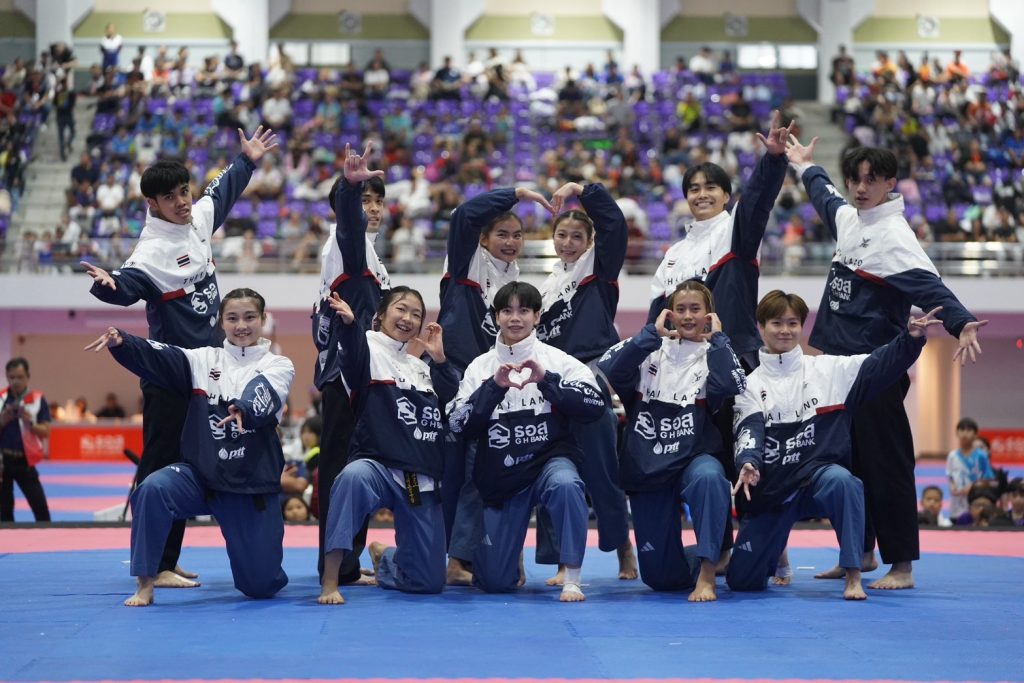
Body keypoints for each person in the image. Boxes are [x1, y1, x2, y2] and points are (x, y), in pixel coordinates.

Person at [81, 126, 278, 589]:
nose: (182, 202)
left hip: (207, 374)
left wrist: (247, 159)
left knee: (191, 464)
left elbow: (222, 192)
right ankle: (151, 567)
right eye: (170, 198)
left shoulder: (198, 218)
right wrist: (108, 286)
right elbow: (126, 285)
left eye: (184, 192)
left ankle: (168, 559)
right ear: (152, 204)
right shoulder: (151, 252)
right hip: (169, 374)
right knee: (159, 466)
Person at [786, 137, 987, 589]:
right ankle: (859, 553)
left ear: (890, 183)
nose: (860, 188)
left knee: (887, 465)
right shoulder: (850, 219)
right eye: (855, 180)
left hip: (876, 369)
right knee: (848, 464)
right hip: (837, 370)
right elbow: (824, 195)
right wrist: (804, 166)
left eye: (871, 181)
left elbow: (932, 289)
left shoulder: (895, 237)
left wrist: (962, 323)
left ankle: (902, 566)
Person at [85, 288, 296, 607]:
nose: (241, 325)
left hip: (248, 484)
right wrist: (124, 342)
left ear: (263, 319)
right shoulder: (202, 359)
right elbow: (161, 355)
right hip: (201, 478)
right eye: (232, 318)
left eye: (249, 317)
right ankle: (146, 582)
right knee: (152, 488)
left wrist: (243, 407)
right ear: (221, 322)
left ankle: (261, 573)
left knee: (260, 586)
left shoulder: (279, 365)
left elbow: (263, 390)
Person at [648, 111, 793, 571]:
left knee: (746, 452)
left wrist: (773, 159)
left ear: (726, 195)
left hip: (736, 359)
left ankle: (769, 548)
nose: (702, 194)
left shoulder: (736, 231)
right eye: (693, 188)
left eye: (711, 187)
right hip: (684, 373)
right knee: (708, 459)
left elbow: (759, 200)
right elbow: (657, 317)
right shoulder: (674, 255)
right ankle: (723, 548)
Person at [729, 291, 941, 600]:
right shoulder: (750, 384)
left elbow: (877, 363)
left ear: (802, 326)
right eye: (776, 323)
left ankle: (853, 573)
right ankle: (766, 556)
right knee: (742, 581)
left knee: (845, 482)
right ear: (761, 327)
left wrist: (909, 339)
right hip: (775, 487)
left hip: (818, 478)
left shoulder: (829, 370)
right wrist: (748, 460)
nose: (785, 330)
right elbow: (748, 429)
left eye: (792, 323)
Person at [449, 282, 605, 602]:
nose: (515, 318)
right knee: (494, 583)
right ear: (496, 317)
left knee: (566, 483)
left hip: (549, 462)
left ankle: (572, 578)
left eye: (524, 310)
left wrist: (547, 381)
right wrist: (492, 388)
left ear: (537, 316)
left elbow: (595, 404)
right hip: (502, 475)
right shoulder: (479, 367)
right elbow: (457, 423)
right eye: (507, 310)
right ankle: (507, 558)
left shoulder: (558, 360)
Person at [599, 280, 745, 601]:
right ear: (669, 314)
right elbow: (610, 367)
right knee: (660, 578)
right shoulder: (648, 350)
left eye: (696, 309)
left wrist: (718, 340)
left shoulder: (715, 353)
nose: (688, 316)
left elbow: (732, 384)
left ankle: (708, 572)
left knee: (710, 477)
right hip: (647, 464)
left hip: (694, 458)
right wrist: (649, 336)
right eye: (680, 309)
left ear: (709, 315)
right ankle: (714, 556)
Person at [438, 185, 552, 585]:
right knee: (467, 469)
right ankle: (457, 558)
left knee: (502, 465)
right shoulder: (468, 261)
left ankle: (497, 552)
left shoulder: (513, 278)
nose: (511, 241)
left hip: (497, 383)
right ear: (483, 239)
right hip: (460, 378)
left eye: (517, 235)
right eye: (501, 234)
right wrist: (516, 193)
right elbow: (463, 216)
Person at [318, 287, 458, 604]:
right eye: (401, 309)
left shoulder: (422, 367)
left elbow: (452, 399)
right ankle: (330, 580)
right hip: (377, 466)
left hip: (415, 475)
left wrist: (440, 360)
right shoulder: (366, 347)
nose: (408, 318)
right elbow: (352, 358)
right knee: (351, 478)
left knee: (429, 583)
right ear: (381, 315)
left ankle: (386, 559)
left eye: (416, 314)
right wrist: (350, 326)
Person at [534, 182, 636, 583]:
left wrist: (582, 190)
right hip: (552, 382)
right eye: (562, 235)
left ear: (591, 241)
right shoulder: (545, 288)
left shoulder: (598, 270)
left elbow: (615, 224)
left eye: (577, 236)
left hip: (591, 375)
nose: (568, 243)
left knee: (602, 470)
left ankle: (623, 548)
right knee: (551, 467)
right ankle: (563, 560)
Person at [310, 142, 391, 591]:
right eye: (365, 200)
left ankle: (346, 562)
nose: (373, 209)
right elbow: (349, 224)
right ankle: (336, 566)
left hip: (358, 371)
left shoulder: (367, 252)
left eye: (378, 201)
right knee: (342, 471)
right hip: (346, 374)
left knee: (354, 470)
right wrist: (348, 187)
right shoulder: (347, 243)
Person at [0, 358, 52, 522]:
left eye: (20, 377)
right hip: (2, 462)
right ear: (7, 377)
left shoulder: (37, 399)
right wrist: (3, 420)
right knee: (4, 512)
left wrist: (31, 423)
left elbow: (46, 432)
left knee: (41, 510)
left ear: (28, 377)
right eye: (12, 377)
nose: (15, 381)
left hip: (25, 461)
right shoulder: (1, 398)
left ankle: (45, 537)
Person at [946, 417, 996, 520]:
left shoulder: (981, 455)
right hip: (956, 504)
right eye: (961, 430)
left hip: (975, 503)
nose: (965, 433)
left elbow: (988, 479)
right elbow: (950, 476)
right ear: (957, 433)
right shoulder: (952, 456)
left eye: (969, 430)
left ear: (976, 435)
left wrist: (972, 486)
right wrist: (952, 487)